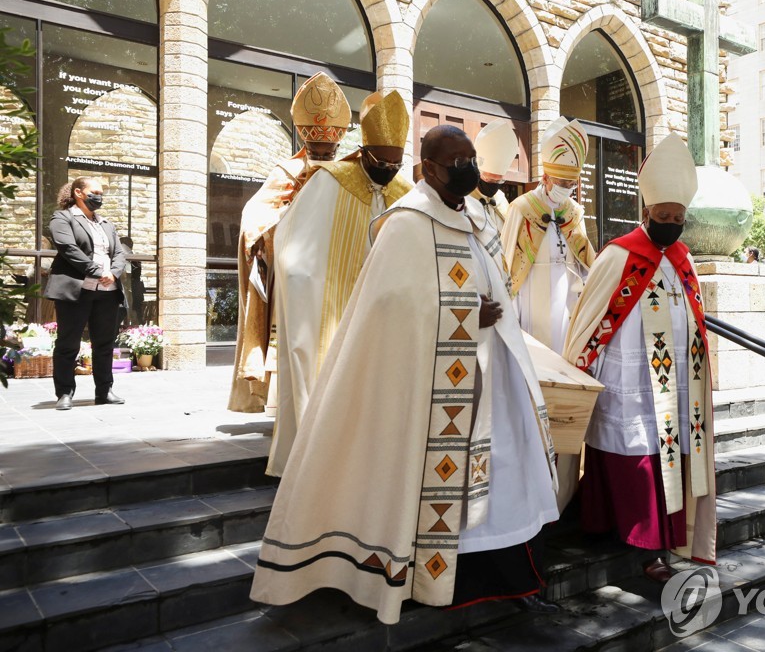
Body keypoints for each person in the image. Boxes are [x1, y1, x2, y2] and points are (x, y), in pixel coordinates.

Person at [251, 125, 560, 623]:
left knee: (501, 478)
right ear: (430, 168)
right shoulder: (408, 223)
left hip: (489, 378)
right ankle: (425, 576)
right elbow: (391, 307)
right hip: (430, 388)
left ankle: (501, 575)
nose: (468, 168)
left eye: (471, 158)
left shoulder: (476, 215)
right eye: (456, 160)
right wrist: (463, 314)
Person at [563, 134, 716, 582]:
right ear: (645, 213)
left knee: (662, 452)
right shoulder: (618, 255)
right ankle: (614, 529)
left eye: (678, 218)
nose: (670, 224)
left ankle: (653, 546)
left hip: (675, 382)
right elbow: (591, 317)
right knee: (628, 449)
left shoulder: (685, 259)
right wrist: (582, 365)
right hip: (627, 375)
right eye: (663, 216)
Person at [267, 88, 413, 477]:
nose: (388, 170)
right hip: (334, 309)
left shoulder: (406, 193)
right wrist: (309, 290)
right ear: (363, 151)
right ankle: (319, 465)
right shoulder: (329, 181)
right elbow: (292, 248)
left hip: (384, 316)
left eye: (396, 163)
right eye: (382, 161)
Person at [228, 72, 345, 414]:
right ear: (305, 143)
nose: (323, 155)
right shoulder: (286, 172)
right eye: (316, 149)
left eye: (330, 150)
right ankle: (288, 407)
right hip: (294, 271)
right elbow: (255, 214)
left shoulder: (349, 173)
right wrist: (282, 220)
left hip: (336, 269)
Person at [502, 116, 595, 352]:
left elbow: (585, 262)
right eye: (562, 183)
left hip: (567, 300)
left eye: (571, 184)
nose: (567, 189)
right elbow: (508, 266)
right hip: (531, 297)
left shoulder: (573, 212)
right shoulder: (522, 208)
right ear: (545, 178)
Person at [45, 176, 128, 411]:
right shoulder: (62, 218)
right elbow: (69, 249)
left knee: (104, 344)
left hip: (107, 291)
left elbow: (119, 253)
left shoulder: (106, 224)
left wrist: (112, 272)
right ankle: (64, 393)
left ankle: (104, 391)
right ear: (79, 193)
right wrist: (97, 271)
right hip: (76, 291)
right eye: (95, 192)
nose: (99, 197)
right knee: (68, 343)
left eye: (101, 194)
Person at [471, 119, 517, 235]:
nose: (494, 184)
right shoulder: (465, 198)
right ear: (478, 172)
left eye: (499, 180)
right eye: (490, 179)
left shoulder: (500, 199)